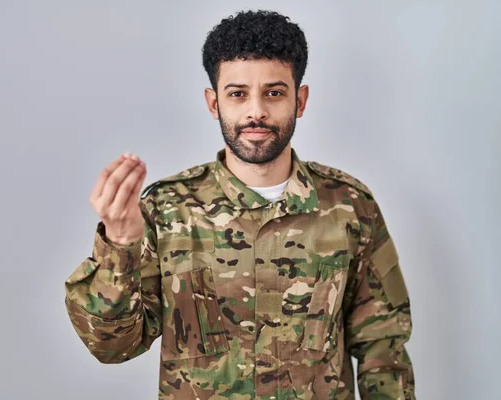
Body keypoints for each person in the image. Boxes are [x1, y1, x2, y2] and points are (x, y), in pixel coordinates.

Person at [64, 9, 416, 399]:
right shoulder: (167, 210)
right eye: (237, 94)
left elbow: (384, 348)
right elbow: (112, 346)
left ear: (300, 100)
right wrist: (119, 244)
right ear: (214, 103)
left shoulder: (349, 205)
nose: (256, 111)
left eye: (274, 92)